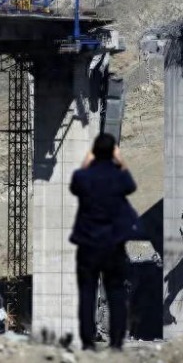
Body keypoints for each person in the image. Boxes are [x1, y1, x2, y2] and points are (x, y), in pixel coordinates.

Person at [69, 133, 137, 351]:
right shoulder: (119, 178)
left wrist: (87, 160)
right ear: (112, 153)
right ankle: (116, 342)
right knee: (116, 293)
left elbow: (75, 186)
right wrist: (121, 161)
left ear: (94, 153)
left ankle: (87, 343)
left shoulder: (83, 177)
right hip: (113, 245)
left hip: (88, 245)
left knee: (87, 293)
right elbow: (131, 186)